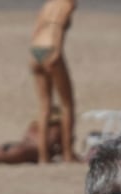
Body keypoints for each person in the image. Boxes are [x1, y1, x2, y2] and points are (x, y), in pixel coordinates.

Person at [29, 0, 77, 162]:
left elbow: (37, 29)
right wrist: (56, 50)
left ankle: (43, 157)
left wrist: (32, 56)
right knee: (67, 104)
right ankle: (68, 154)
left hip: (36, 49)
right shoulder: (67, 4)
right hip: (52, 47)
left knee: (44, 105)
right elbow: (57, 27)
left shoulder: (48, 4)